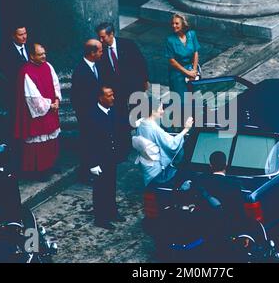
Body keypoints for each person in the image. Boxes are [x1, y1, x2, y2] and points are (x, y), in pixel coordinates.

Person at [95, 22, 149, 161]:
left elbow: (140, 62)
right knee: (120, 118)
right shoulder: (101, 52)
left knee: (139, 115)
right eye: (99, 37)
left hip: (133, 86)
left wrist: (144, 81)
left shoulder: (127, 45)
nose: (101, 40)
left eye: (103, 37)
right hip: (116, 90)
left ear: (111, 34)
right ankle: (125, 147)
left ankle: (144, 143)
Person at [14, 43, 61, 180]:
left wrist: (57, 99)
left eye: (44, 53)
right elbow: (32, 97)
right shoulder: (26, 71)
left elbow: (55, 84)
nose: (44, 56)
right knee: (39, 144)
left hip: (51, 108)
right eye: (40, 54)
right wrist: (49, 105)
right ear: (32, 56)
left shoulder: (48, 66)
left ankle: (51, 164)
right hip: (38, 113)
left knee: (51, 140)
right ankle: (40, 170)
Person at [85, 86, 125, 229]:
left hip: (110, 157)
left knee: (111, 186)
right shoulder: (92, 116)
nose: (112, 98)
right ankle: (100, 218)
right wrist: (93, 163)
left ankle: (112, 211)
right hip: (99, 159)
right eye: (109, 96)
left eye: (113, 94)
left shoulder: (112, 111)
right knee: (100, 189)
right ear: (100, 98)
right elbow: (89, 141)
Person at [132, 95, 193, 188]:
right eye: (160, 108)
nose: (163, 111)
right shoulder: (153, 128)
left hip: (146, 167)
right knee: (186, 172)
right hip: (157, 173)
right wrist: (186, 129)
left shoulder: (142, 123)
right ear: (153, 111)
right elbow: (172, 144)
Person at [71, 39, 104, 183]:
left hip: (96, 112)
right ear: (92, 53)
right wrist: (85, 115)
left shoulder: (97, 66)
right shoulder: (81, 71)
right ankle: (86, 172)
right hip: (87, 114)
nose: (102, 53)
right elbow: (77, 97)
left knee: (95, 141)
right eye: (100, 51)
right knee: (87, 142)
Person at [165, 13, 201, 102]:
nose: (174, 26)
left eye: (177, 23)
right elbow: (172, 60)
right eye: (172, 23)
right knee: (180, 99)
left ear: (183, 24)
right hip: (177, 73)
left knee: (193, 97)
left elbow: (195, 52)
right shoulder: (170, 40)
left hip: (191, 69)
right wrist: (187, 72)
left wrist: (194, 70)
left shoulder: (192, 35)